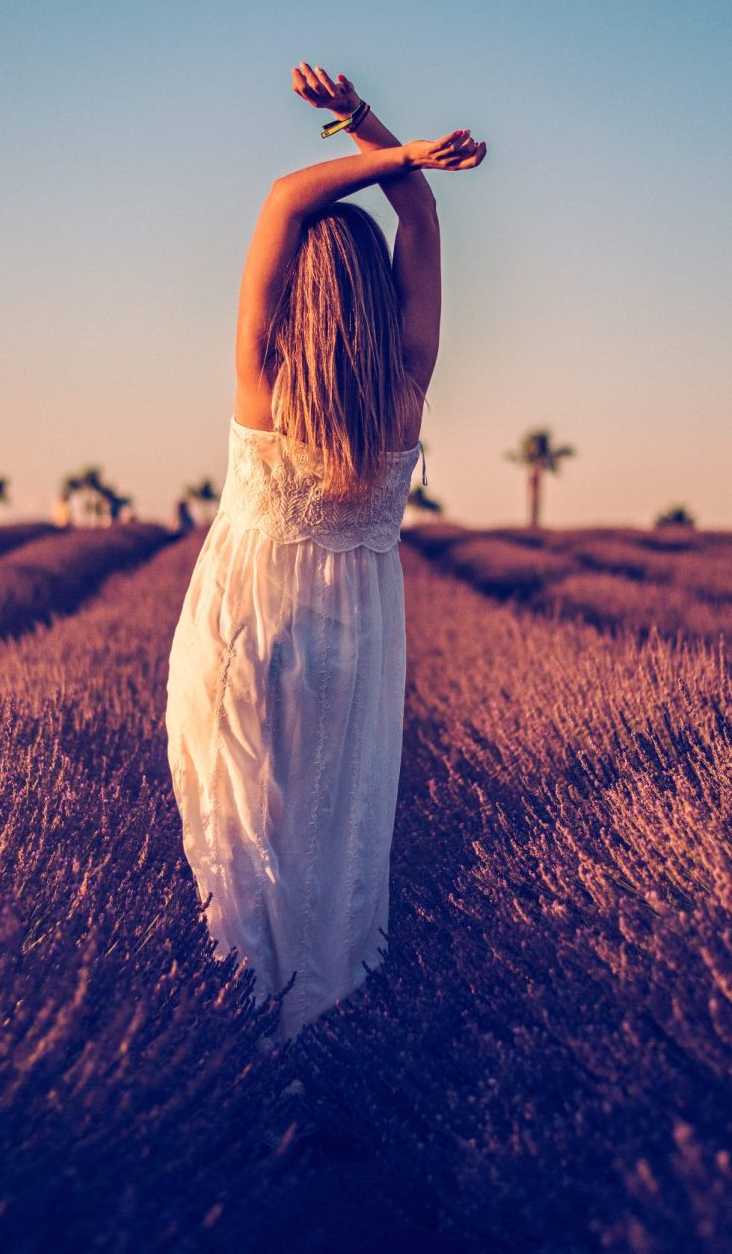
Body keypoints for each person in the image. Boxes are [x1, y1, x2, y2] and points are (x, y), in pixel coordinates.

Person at [165, 63, 486, 1042]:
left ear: (298, 286)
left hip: (245, 628)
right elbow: (419, 221)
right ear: (375, 295)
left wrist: (373, 135)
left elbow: (282, 198)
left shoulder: (263, 376)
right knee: (332, 841)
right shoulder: (406, 380)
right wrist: (393, 148)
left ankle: (240, 1050)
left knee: (244, 845)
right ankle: (322, 1051)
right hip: (353, 642)